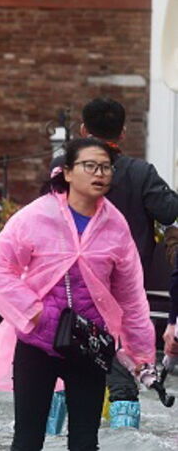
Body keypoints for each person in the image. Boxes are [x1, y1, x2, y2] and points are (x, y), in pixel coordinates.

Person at [0, 138, 156, 451]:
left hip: (89, 344)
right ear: (66, 172)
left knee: (84, 441)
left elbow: (131, 294)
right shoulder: (37, 215)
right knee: (27, 440)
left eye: (106, 167)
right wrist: (33, 311)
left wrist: (143, 354)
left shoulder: (115, 225)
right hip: (38, 343)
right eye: (90, 165)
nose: (100, 173)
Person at [63, 97, 178, 427]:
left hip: (70, 289)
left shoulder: (64, 168)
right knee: (124, 375)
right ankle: (124, 438)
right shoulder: (140, 173)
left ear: (83, 131)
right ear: (123, 132)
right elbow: (169, 211)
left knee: (59, 373)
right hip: (124, 289)